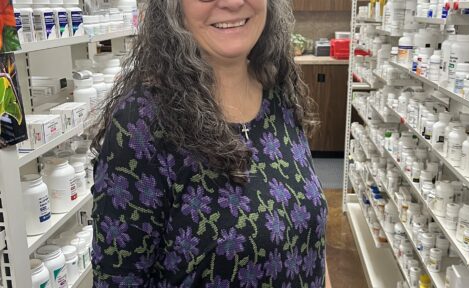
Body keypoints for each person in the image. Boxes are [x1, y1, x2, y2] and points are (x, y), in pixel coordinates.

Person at [90, 0, 331, 286]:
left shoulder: (279, 92)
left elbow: (309, 242)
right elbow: (119, 278)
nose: (231, 3)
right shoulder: (141, 124)